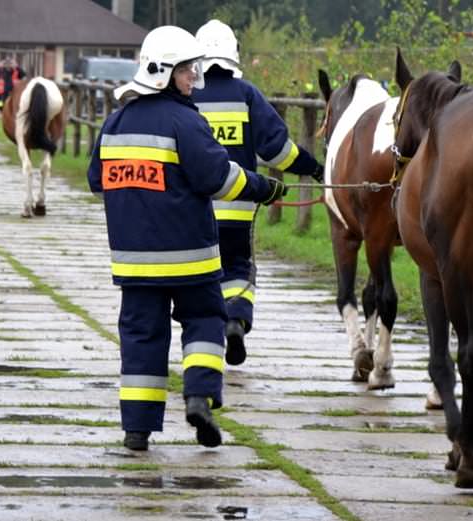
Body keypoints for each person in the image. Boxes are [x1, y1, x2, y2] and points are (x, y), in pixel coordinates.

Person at [87, 25, 287, 451]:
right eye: (186, 72)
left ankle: (137, 431)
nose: (193, 79)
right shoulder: (185, 121)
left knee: (141, 337)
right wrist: (263, 187)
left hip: (133, 263)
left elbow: (95, 179)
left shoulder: (114, 124)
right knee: (206, 320)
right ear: (163, 73)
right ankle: (199, 397)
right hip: (190, 258)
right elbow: (217, 176)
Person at [192, 19, 324, 366]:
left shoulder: (186, 95)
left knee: (199, 275)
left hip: (194, 211)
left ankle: (203, 340)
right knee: (238, 268)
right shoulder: (247, 94)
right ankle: (235, 319)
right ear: (234, 55)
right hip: (237, 210)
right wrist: (314, 167)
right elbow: (278, 151)